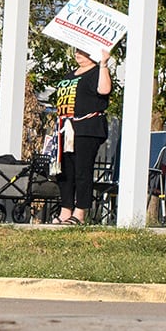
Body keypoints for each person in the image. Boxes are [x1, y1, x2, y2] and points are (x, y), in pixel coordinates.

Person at [56, 45, 113, 225]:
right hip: (67, 128)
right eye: (77, 51)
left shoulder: (97, 71)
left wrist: (103, 64)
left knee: (82, 169)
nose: (78, 54)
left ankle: (80, 212)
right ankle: (65, 211)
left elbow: (104, 91)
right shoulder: (70, 75)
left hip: (88, 128)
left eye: (83, 52)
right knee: (65, 170)